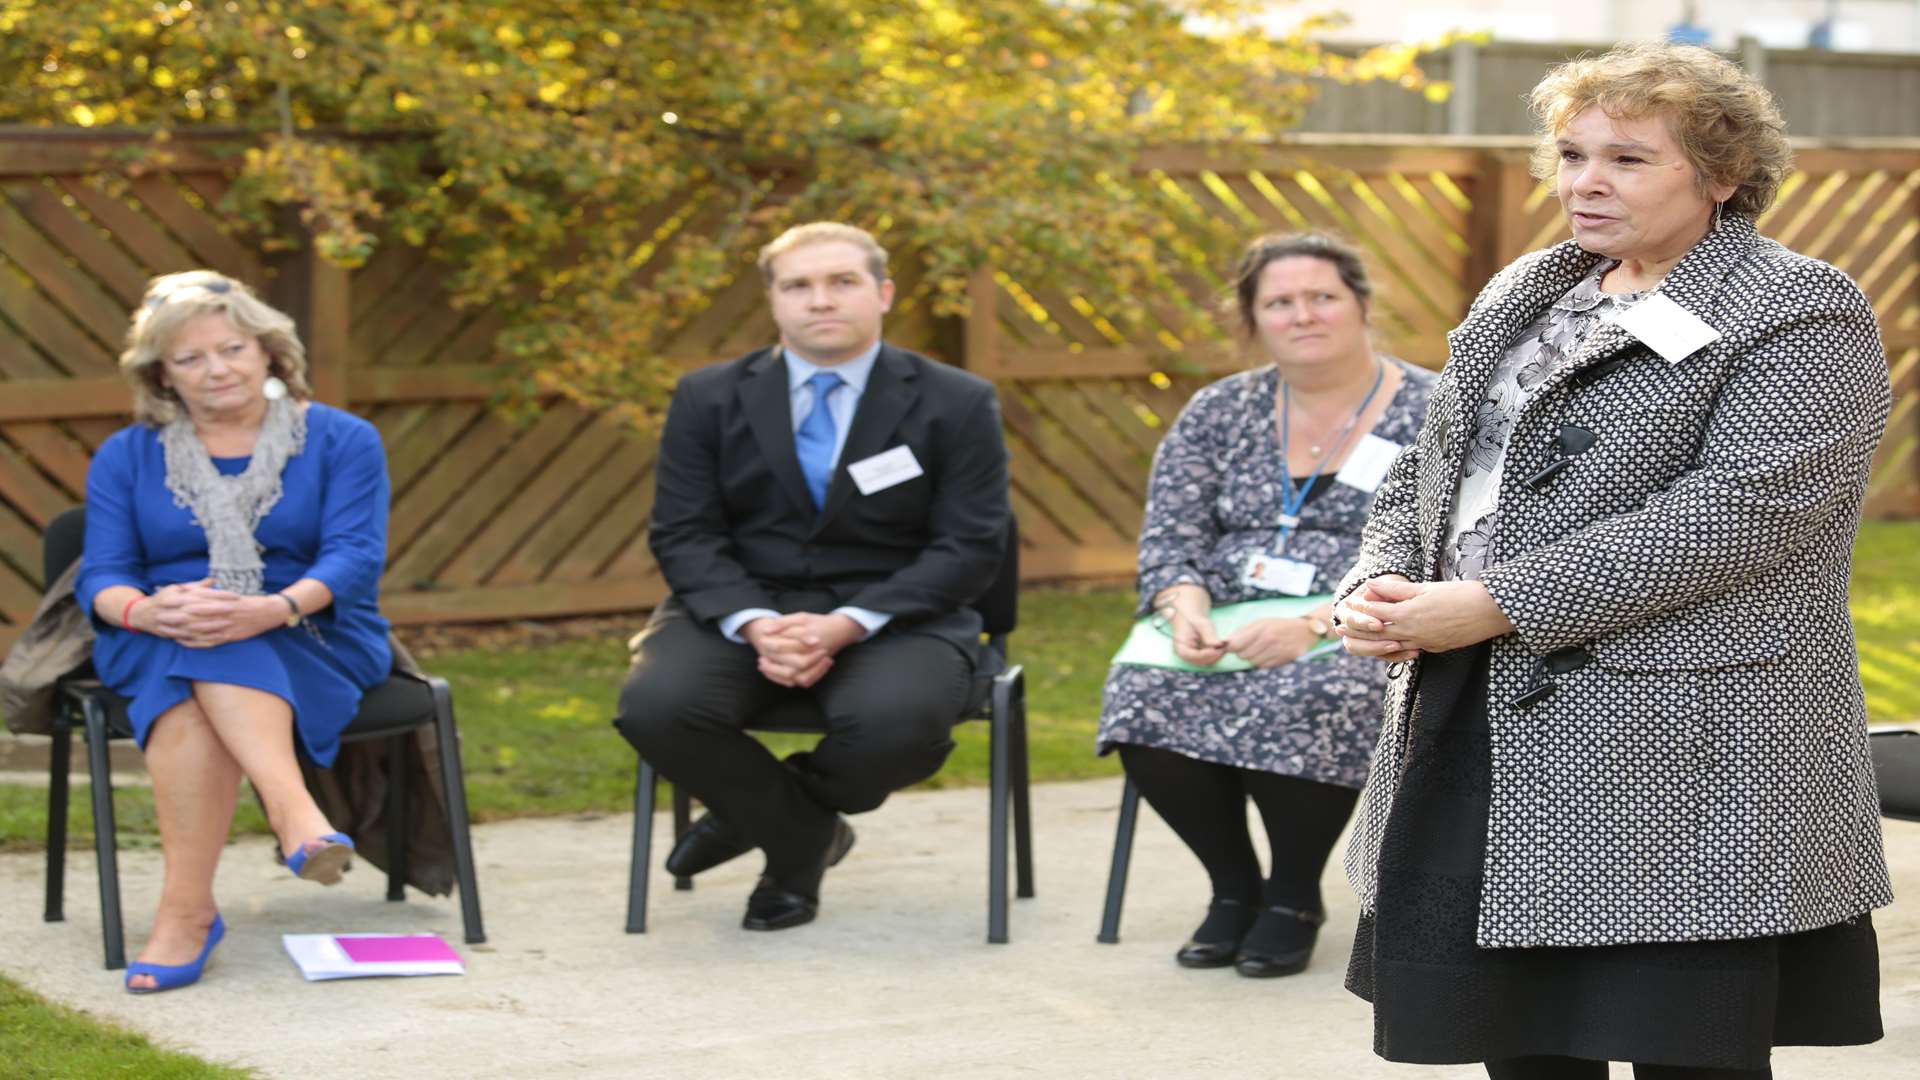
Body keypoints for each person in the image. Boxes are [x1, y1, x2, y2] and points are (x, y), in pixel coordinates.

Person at [1333, 42, 1891, 1078]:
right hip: (1482, 710)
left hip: (1685, 746)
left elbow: (1740, 513)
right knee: (1516, 1040)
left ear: (1722, 177)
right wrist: (1378, 577)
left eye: (1630, 160)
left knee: (1688, 1053)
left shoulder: (1800, 309)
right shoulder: (1531, 290)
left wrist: (1496, 601)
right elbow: (1436, 458)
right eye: (1572, 153)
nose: (1586, 182)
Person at [614, 222, 1010, 931]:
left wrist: (848, 623)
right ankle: (804, 837)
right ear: (773, 301)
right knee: (657, 709)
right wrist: (757, 623)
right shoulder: (708, 397)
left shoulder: (957, 401)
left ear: (884, 293)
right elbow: (684, 532)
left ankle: (770, 815)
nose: (820, 300)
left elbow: (971, 543)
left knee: (899, 726)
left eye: (842, 282)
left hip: (899, 616)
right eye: (798, 285)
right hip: (742, 609)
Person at [1097, 233, 1434, 977]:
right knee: (1140, 690)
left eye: (1322, 297)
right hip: (1222, 612)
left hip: (1369, 619)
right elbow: (1172, 534)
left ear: (1361, 305)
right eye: (1279, 302)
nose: (1303, 315)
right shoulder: (1219, 411)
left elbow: (1440, 544)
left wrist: (1318, 623)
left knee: (1316, 691)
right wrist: (1182, 605)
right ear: (1253, 319)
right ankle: (1231, 888)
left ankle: (1290, 897)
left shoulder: (1432, 408)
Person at [76, 270, 394, 993]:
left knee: (213, 643)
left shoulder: (344, 439)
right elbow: (102, 574)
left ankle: (185, 916)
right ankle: (295, 817)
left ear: (269, 353)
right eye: (190, 358)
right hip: (160, 627)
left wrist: (274, 606)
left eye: (231, 348)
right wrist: (148, 611)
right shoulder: (127, 455)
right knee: (198, 639)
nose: (216, 369)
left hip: (312, 625)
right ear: (161, 375)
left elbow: (354, 556)